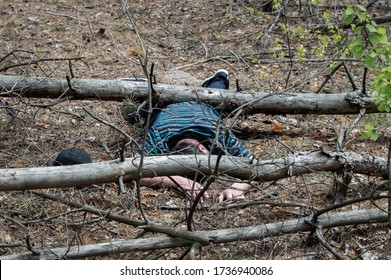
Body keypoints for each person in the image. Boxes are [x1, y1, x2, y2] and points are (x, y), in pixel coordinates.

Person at [126, 69, 257, 203]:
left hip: (198, 103)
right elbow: (256, 166)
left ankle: (220, 77)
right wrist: (179, 181)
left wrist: (237, 188)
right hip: (171, 103)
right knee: (135, 114)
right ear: (202, 149)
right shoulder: (160, 136)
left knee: (216, 94)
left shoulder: (217, 133)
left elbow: (133, 169)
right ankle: (219, 77)